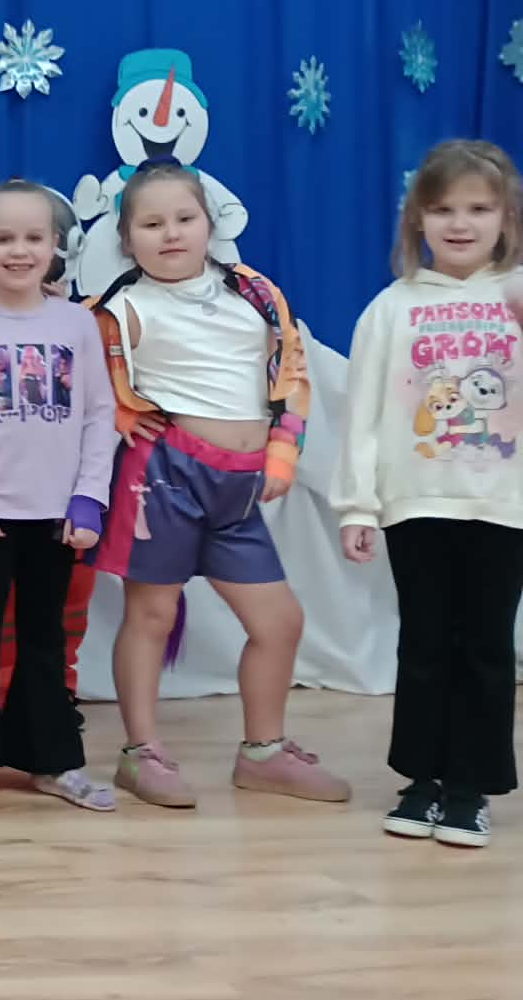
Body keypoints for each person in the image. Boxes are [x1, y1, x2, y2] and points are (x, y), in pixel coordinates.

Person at [89, 163, 346, 808]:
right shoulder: (121, 308)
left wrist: (284, 449)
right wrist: (122, 415)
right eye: (151, 223)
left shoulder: (254, 293)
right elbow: (82, 384)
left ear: (209, 224)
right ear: (127, 238)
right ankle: (141, 752)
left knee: (280, 622)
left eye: (185, 218)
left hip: (239, 487)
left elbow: (290, 369)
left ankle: (263, 752)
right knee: (152, 613)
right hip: (165, 478)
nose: (171, 233)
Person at [333, 139, 523, 848]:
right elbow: (362, 415)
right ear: (418, 219)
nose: (460, 223)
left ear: (506, 218)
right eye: (443, 209)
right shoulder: (392, 308)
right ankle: (422, 782)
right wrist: (358, 504)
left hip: (503, 507)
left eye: (478, 208)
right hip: (416, 505)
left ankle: (470, 788)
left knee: (487, 648)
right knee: (424, 643)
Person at [0, 182, 117, 814]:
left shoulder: (77, 324)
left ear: (55, 244)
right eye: (3, 238)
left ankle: (52, 761)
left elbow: (99, 416)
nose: (19, 250)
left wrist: (88, 500)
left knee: (45, 641)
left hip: (57, 518)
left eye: (33, 237)